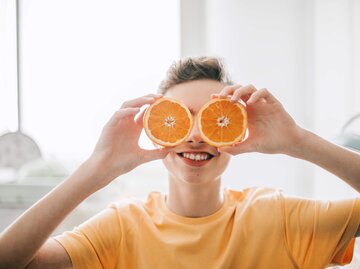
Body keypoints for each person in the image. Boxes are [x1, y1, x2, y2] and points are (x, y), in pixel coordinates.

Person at [0, 57, 359, 269]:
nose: (195, 136)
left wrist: (298, 142)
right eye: (180, 120)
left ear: (235, 130)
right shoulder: (122, 227)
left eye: (213, 119)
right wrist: (99, 167)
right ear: (157, 130)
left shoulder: (279, 218)